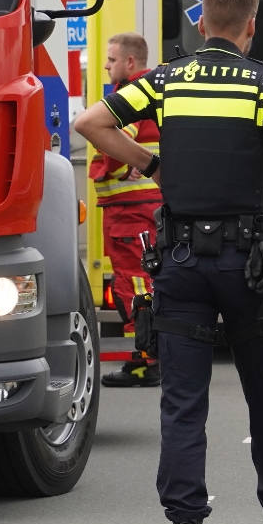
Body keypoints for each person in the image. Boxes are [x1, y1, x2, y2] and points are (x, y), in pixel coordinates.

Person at [74, 0, 263, 524]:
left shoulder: (165, 77)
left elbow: (91, 123)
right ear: (249, 27)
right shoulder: (262, 82)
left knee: (183, 406)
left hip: (181, 266)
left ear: (200, 24)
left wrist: (153, 164)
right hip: (250, 267)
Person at [92, 32, 164, 388]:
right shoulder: (156, 89)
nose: (106, 65)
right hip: (143, 209)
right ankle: (152, 355)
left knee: (135, 283)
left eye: (112, 59)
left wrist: (123, 161)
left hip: (129, 213)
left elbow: (114, 139)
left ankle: (144, 361)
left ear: (130, 63)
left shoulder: (129, 95)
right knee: (148, 279)